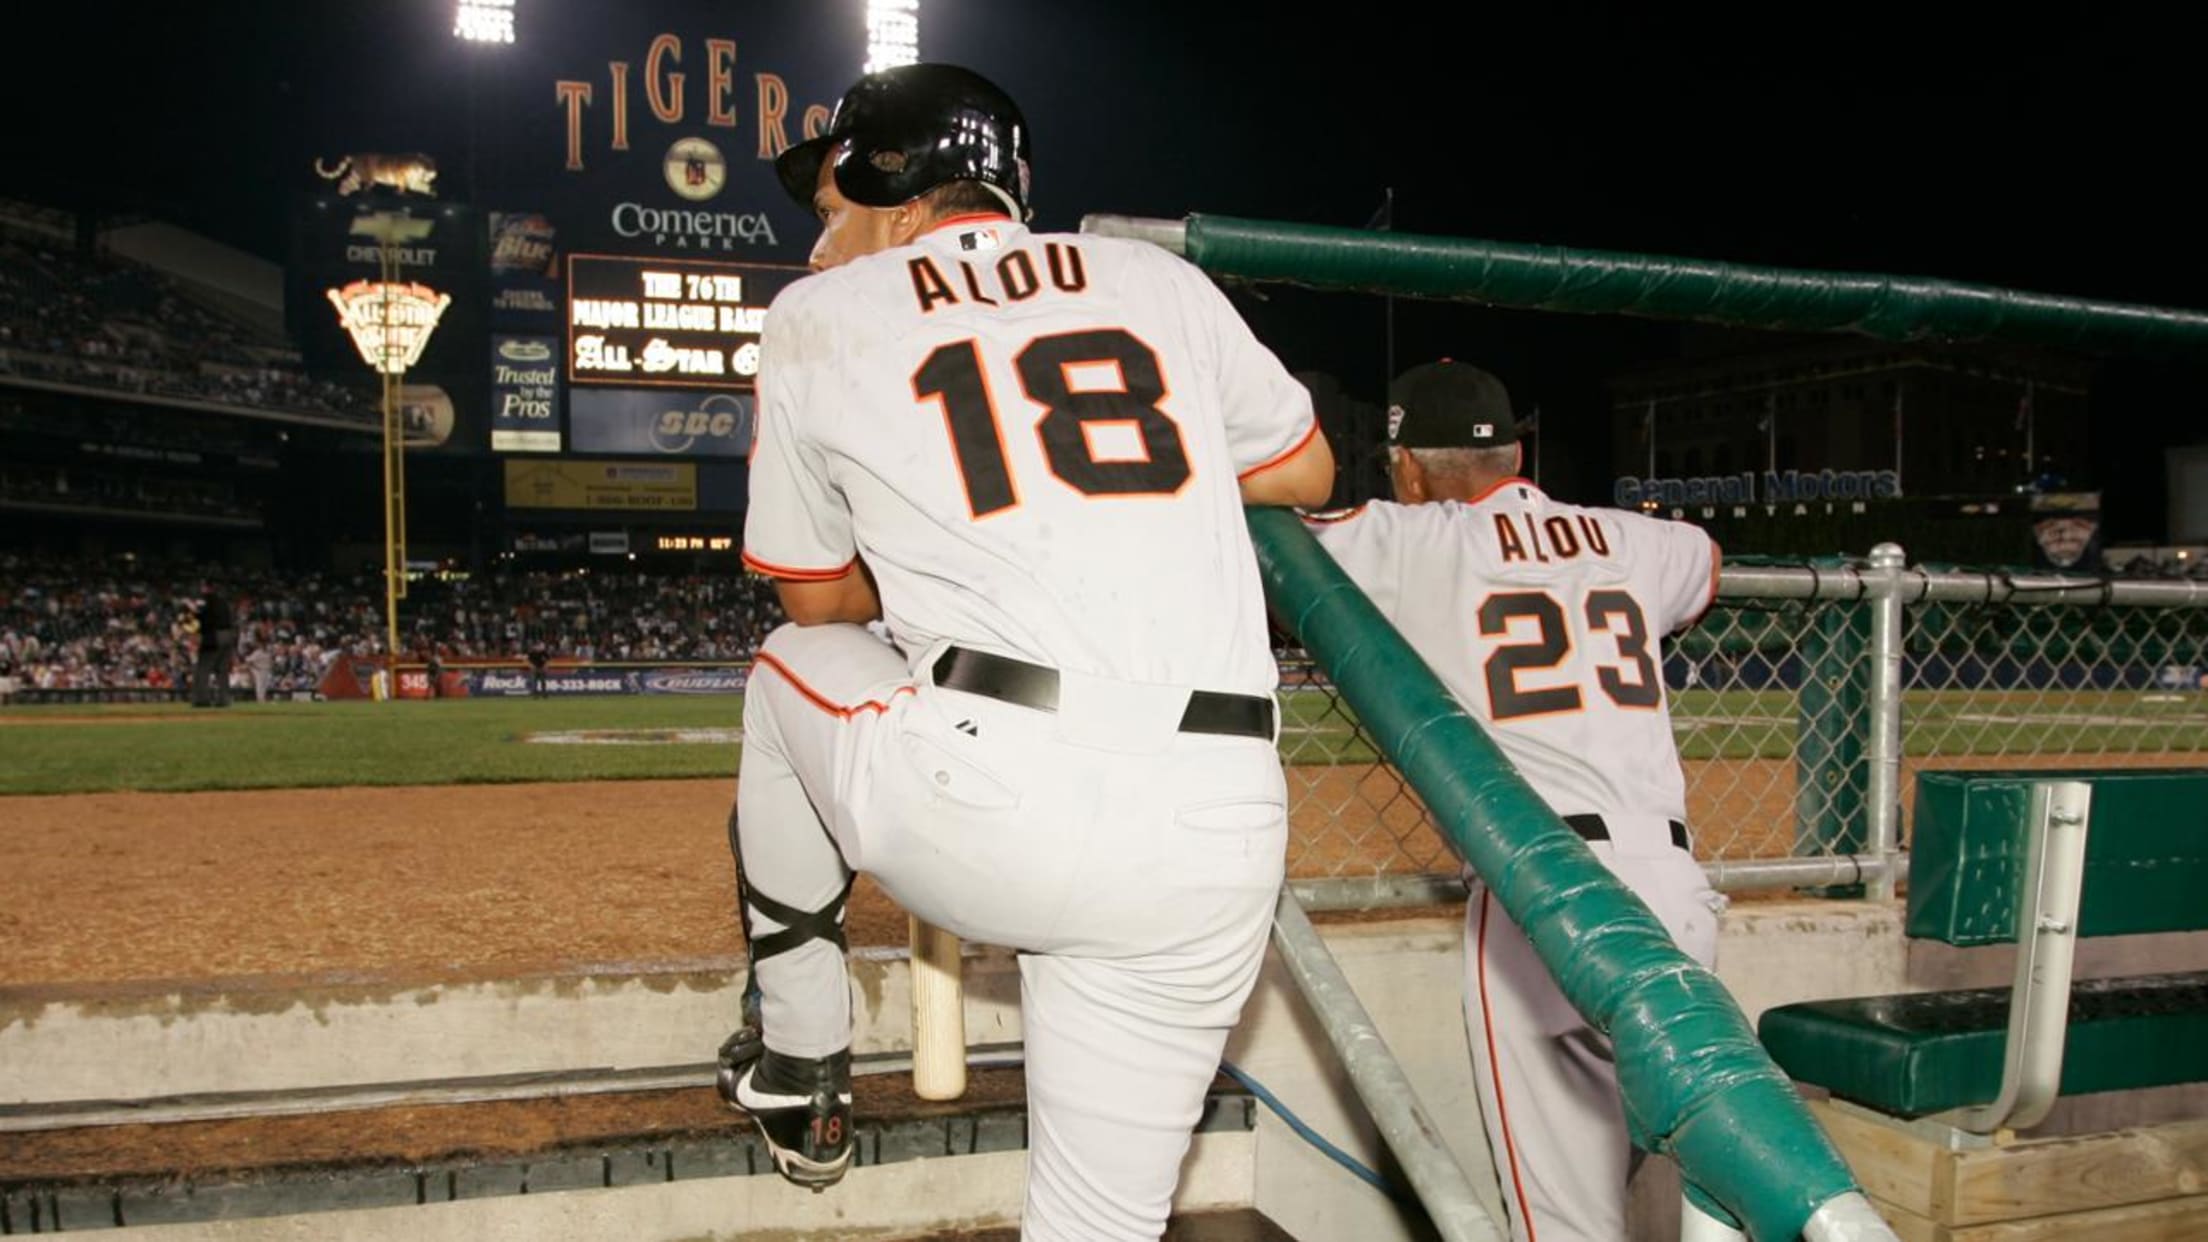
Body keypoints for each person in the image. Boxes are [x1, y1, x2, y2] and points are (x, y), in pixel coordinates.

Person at [717, 62, 1333, 1241]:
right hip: (1217, 828)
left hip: (991, 794)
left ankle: (798, 1056)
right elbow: (1305, 469)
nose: (820, 244)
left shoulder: (817, 316)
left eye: (831, 210)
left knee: (776, 677)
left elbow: (810, 599)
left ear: (893, 192)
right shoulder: (1155, 278)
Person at [1305, 361, 1726, 1242]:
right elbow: (1707, 561)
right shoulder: (1637, 538)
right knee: (1700, 1183)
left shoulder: (1409, 539)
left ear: (1407, 468)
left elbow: (1268, 539)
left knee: (1565, 1221)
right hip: (1675, 888)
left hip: (1544, 898)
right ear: (1519, 452)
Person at [190, 585, 237, 709]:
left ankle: (202, 699)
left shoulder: (205, 600)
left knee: (203, 669)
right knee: (222, 670)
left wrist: (193, 611)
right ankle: (224, 699)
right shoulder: (223, 601)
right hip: (228, 634)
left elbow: (204, 618)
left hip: (214, 636)